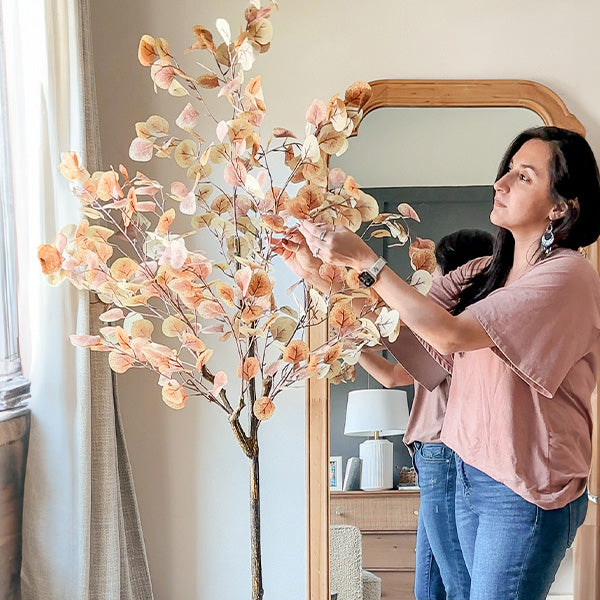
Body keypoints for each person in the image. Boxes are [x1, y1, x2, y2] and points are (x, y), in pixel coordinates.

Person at [278, 126, 600, 600]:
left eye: (524, 176)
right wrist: (322, 279)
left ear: (561, 207)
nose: (500, 183)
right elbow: (412, 342)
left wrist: (367, 261)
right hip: (470, 470)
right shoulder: (481, 273)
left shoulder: (567, 275)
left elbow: (450, 333)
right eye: (507, 170)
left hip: (524, 485)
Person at [359, 229, 494, 600]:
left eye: (436, 270)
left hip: (442, 453)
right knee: (429, 586)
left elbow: (408, 354)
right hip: (430, 455)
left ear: (456, 274)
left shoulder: (453, 331)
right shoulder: (445, 330)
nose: (432, 279)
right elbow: (392, 376)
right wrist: (351, 345)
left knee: (456, 581)